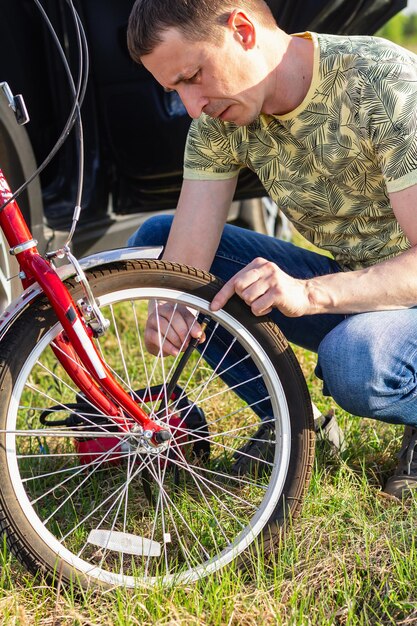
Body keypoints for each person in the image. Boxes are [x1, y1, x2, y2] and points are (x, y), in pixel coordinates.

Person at [126, 0, 417, 497]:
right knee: (154, 247)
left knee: (356, 358)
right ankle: (294, 424)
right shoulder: (217, 123)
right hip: (363, 286)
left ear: (241, 29)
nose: (192, 106)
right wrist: (168, 306)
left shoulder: (381, 81)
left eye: (194, 76)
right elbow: (182, 266)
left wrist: (310, 294)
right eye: (176, 90)